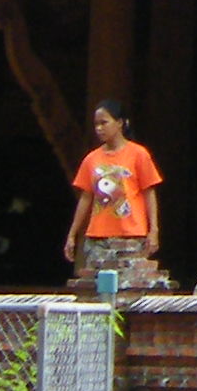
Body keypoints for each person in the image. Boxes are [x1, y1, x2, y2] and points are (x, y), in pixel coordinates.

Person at [64, 100, 164, 292]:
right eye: (96, 124)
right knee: (98, 288)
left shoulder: (138, 154)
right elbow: (86, 197)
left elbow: (149, 192)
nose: (99, 128)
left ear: (120, 123)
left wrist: (154, 230)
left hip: (132, 234)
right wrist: (72, 234)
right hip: (97, 236)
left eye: (104, 122)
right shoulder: (91, 159)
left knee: (130, 288)